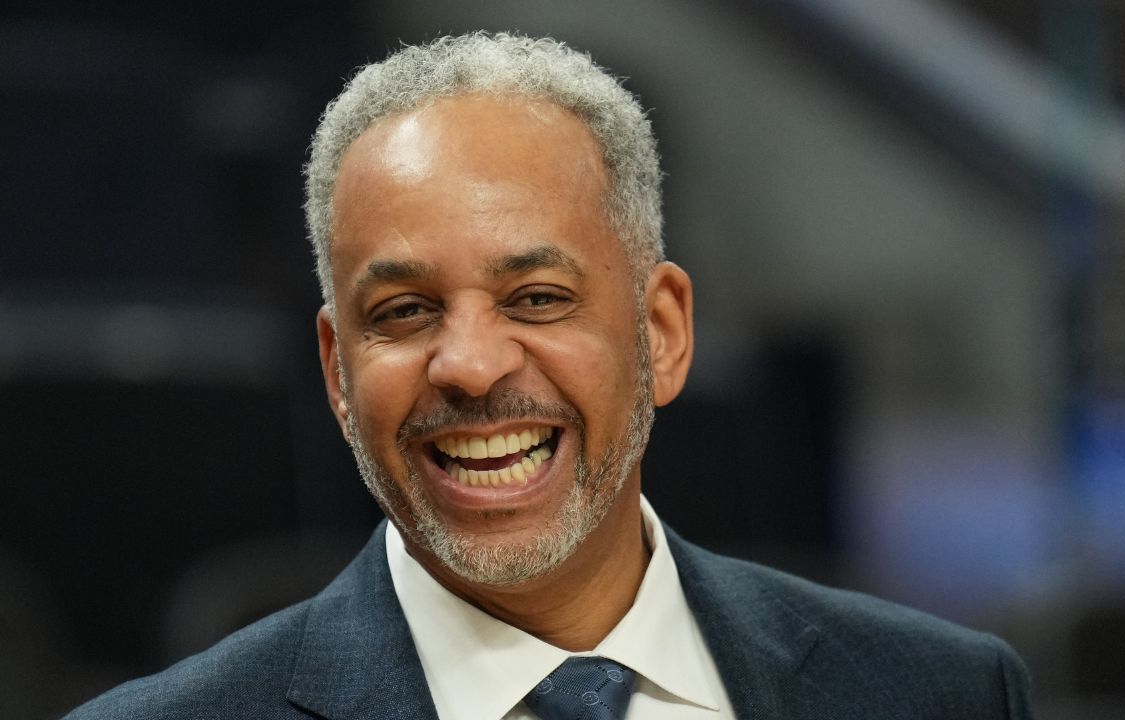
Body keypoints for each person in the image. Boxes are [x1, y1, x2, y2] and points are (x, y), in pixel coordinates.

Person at [67, 32, 1034, 719]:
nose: (473, 364)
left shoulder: (940, 693)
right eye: (403, 313)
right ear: (336, 373)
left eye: (536, 297)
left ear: (660, 333)